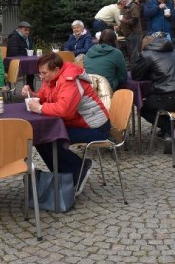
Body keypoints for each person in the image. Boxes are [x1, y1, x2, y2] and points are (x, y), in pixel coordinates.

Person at [23, 53, 110, 195]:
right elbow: (45, 98)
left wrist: (39, 108)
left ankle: (77, 170)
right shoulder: (52, 78)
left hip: (95, 127)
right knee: (42, 137)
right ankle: (65, 176)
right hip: (77, 122)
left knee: (49, 137)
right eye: (40, 73)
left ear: (56, 70)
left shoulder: (70, 80)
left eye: (44, 73)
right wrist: (31, 95)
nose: (41, 77)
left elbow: (65, 110)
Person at [130, 33, 175, 153]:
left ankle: (171, 129)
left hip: (171, 99)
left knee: (143, 107)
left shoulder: (147, 54)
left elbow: (136, 75)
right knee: (155, 100)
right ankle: (169, 130)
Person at [120, 0, 145, 64]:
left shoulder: (134, 6)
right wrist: (119, 26)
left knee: (135, 53)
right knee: (131, 52)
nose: (121, 4)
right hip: (129, 34)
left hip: (134, 33)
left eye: (120, 3)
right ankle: (132, 69)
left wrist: (125, 21)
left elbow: (135, 20)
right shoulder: (126, 7)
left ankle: (136, 69)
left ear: (124, 1)